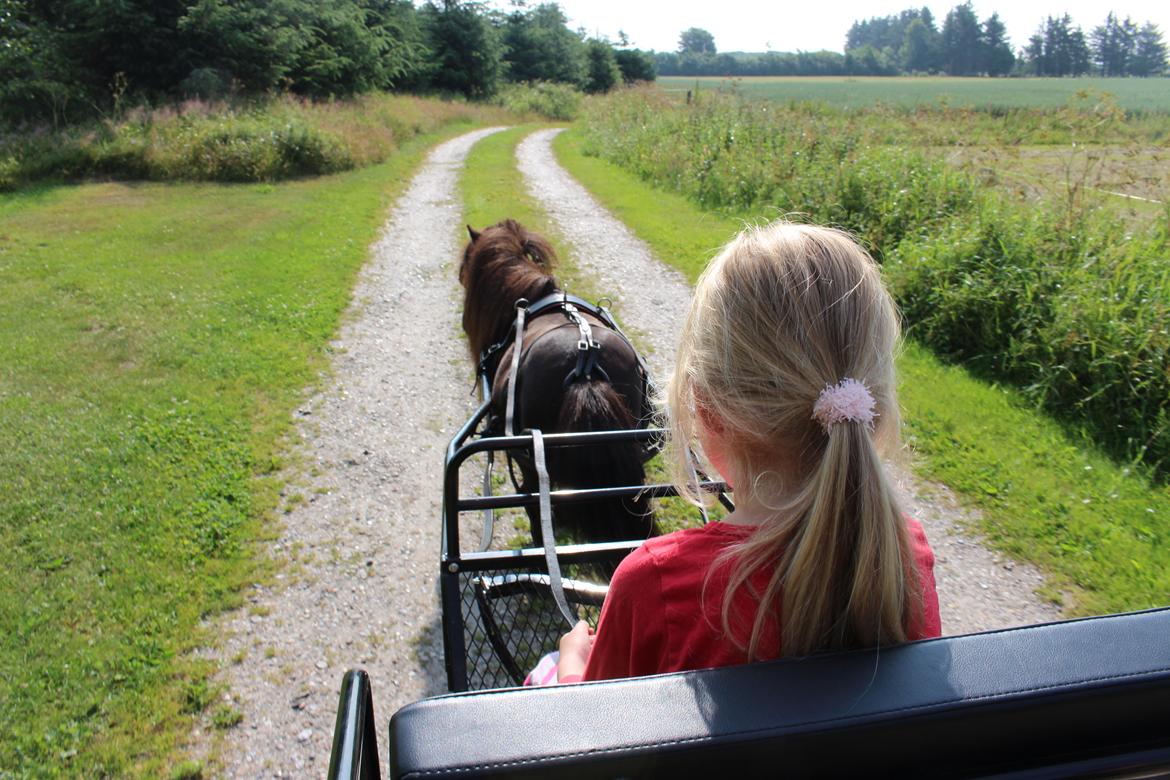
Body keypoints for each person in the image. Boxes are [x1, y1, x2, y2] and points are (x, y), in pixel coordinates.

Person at [551, 220, 941, 684]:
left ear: (706, 410)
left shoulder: (654, 586)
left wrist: (571, 671)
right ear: (874, 402)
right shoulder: (904, 555)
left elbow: (599, 740)